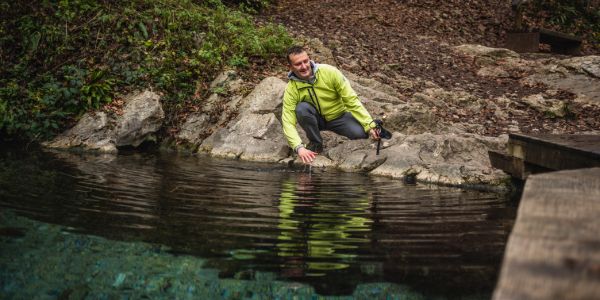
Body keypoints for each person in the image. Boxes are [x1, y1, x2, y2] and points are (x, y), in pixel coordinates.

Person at [281, 46, 380, 165]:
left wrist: (370, 125)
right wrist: (299, 148)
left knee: (361, 135)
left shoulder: (330, 72)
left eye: (305, 61)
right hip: (316, 120)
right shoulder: (291, 88)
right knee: (301, 109)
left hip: (339, 116)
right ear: (290, 67)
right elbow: (288, 120)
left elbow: (351, 100)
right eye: (298, 64)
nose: (304, 66)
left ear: (309, 59)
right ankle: (316, 143)